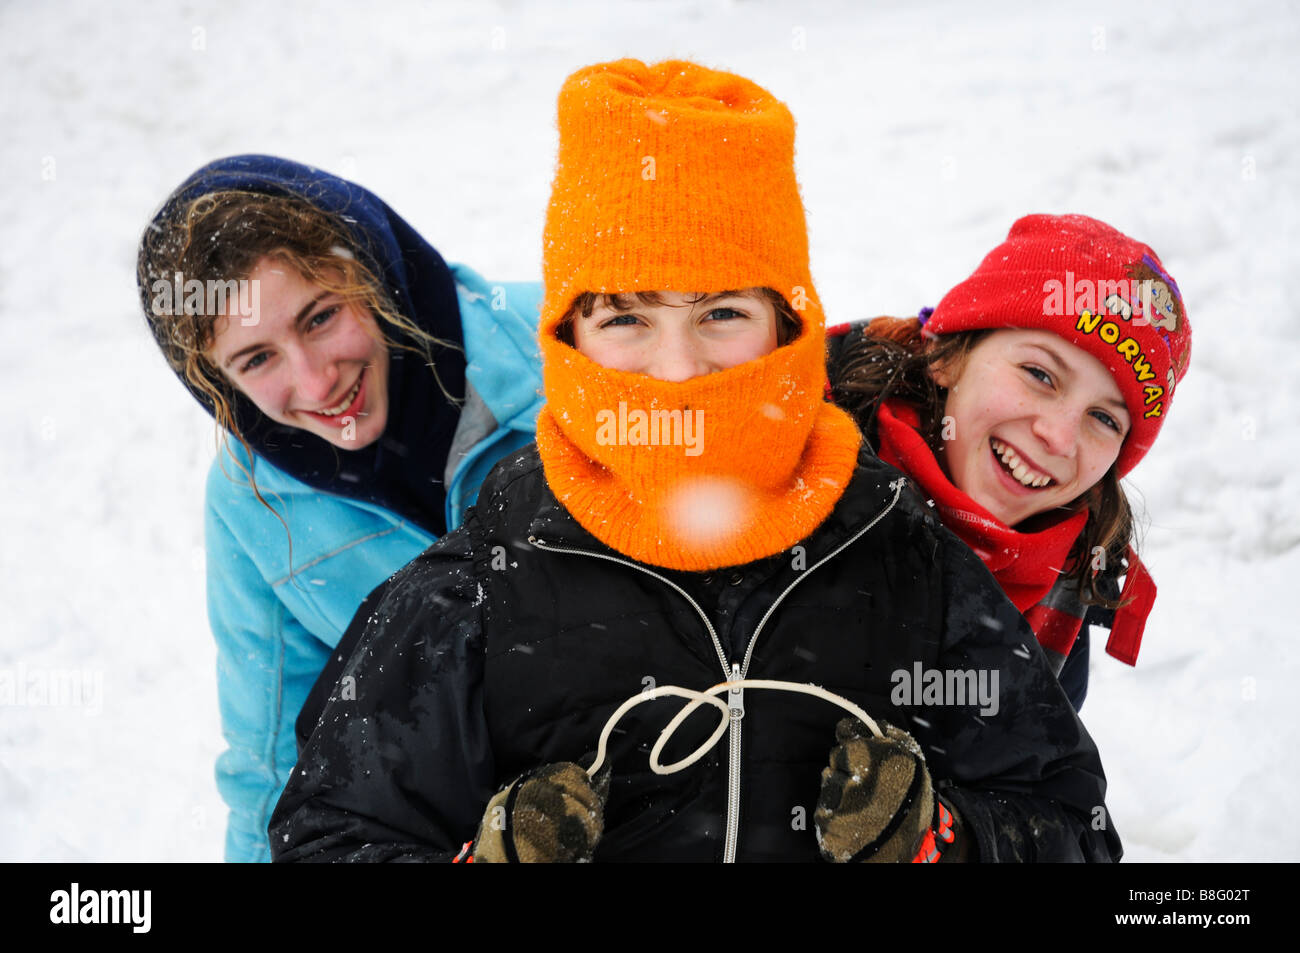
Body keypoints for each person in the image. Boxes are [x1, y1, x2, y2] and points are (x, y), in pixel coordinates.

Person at [270, 59, 1122, 863]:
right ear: (567, 339)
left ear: (789, 327)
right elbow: (331, 836)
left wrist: (946, 838)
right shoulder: (481, 585)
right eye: (625, 320)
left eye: (720, 313)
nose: (676, 371)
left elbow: (1071, 828)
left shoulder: (903, 557)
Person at [135, 155, 545, 862]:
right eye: (256, 359)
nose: (317, 381)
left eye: (321, 316)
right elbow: (273, 769)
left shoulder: (562, 344)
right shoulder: (250, 503)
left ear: (373, 275)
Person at [828, 215, 1191, 710]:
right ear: (947, 357)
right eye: (1040, 374)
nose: (1059, 437)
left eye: (1104, 418)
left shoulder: (1064, 595)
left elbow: (1033, 779)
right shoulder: (794, 460)